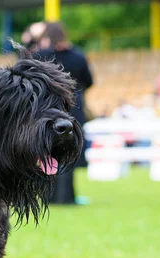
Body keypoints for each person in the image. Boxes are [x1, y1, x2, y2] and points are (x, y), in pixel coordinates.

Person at [33, 22, 93, 205]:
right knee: (68, 152)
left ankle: (48, 196)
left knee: (46, 151)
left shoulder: (40, 56)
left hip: (46, 109)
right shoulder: (78, 56)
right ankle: (67, 196)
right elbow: (89, 81)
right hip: (73, 107)